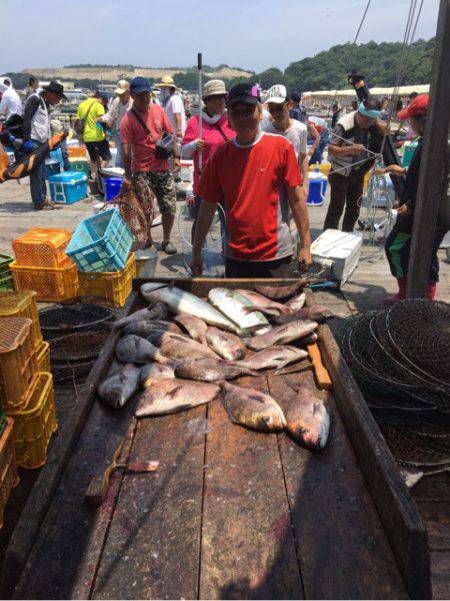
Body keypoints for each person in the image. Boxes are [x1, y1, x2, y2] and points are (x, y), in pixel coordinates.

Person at [190, 82, 312, 279]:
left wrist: (306, 246)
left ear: (260, 112)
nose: (242, 117)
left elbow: (297, 200)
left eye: (248, 110)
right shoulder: (220, 156)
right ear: (228, 118)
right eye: (235, 112)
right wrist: (196, 251)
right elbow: (207, 206)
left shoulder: (281, 148)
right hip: (235, 255)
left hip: (275, 254)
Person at [383, 94, 447, 303]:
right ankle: (416, 296)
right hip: (424, 205)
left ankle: (416, 298)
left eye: (412, 119)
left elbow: (436, 179)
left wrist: (410, 205)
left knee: (396, 247)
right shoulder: (430, 139)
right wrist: (403, 170)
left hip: (433, 208)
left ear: (424, 119)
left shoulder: (439, 143)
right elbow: (425, 170)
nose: (410, 123)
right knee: (423, 251)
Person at [121, 76, 180, 254]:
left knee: (169, 205)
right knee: (145, 207)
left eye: (147, 94)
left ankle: (167, 239)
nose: (145, 98)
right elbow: (125, 150)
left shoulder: (158, 110)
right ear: (132, 95)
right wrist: (127, 175)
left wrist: (176, 156)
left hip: (162, 166)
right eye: (140, 95)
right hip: (141, 169)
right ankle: (147, 238)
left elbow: (170, 135)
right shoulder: (128, 119)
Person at [181, 79, 234, 241]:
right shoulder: (195, 122)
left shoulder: (230, 119)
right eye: (215, 97)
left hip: (229, 180)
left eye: (222, 97)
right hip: (205, 180)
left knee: (229, 222)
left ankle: (228, 256)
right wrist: (193, 145)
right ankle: (197, 254)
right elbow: (184, 151)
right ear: (207, 101)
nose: (220, 101)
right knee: (202, 221)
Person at [324, 97, 387, 232]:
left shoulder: (373, 125)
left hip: (358, 173)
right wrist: (349, 150)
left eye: (371, 120)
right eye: (364, 119)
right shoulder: (343, 125)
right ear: (359, 112)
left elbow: (387, 133)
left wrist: (378, 123)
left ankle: (347, 235)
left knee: (354, 209)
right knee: (336, 208)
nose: (367, 123)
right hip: (340, 172)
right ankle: (328, 236)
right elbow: (331, 149)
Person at [22, 80, 66, 209]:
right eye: (58, 97)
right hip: (33, 141)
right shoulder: (35, 99)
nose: (58, 101)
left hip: (42, 143)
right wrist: (27, 140)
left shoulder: (44, 103)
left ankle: (42, 197)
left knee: (41, 172)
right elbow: (27, 120)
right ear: (50, 93)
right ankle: (38, 201)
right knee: (36, 173)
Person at [260, 84, 308, 188]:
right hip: (272, 184)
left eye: (279, 108)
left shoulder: (301, 129)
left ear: (289, 105)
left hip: (294, 183)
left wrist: (306, 184)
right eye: (271, 109)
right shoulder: (265, 132)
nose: (276, 113)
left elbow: (303, 156)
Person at [76, 91, 111, 176]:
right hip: (98, 136)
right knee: (107, 157)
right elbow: (101, 121)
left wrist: (81, 138)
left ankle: (93, 176)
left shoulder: (82, 105)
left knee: (93, 159)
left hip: (87, 137)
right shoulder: (98, 105)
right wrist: (105, 132)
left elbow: (79, 122)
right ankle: (99, 174)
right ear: (101, 99)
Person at [102, 79, 132, 168]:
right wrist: (101, 119)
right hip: (118, 134)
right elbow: (109, 115)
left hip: (130, 136)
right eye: (119, 93)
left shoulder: (133, 102)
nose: (120, 95)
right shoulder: (116, 101)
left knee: (128, 157)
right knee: (119, 160)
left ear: (128, 92)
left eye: (122, 93)